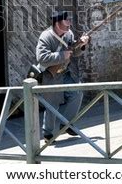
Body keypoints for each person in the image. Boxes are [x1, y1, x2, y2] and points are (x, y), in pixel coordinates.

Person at [35, 10, 89, 141]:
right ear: (57, 24)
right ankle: (47, 133)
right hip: (50, 75)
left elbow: (73, 53)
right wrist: (61, 56)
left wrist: (81, 45)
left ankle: (67, 124)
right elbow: (42, 57)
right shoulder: (46, 36)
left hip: (65, 73)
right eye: (66, 20)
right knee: (52, 104)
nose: (69, 23)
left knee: (77, 93)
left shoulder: (68, 34)